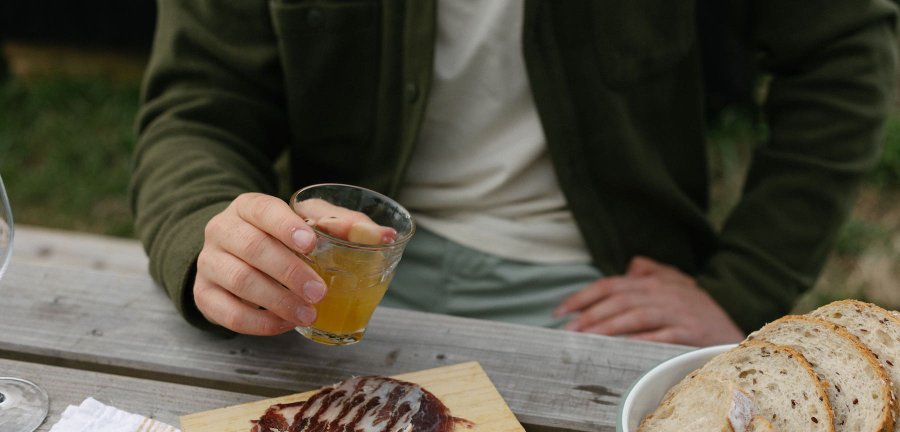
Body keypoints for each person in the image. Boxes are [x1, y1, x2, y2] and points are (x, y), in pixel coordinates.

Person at [129, 0, 898, 346]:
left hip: (600, 301)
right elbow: (201, 104)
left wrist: (746, 285)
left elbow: (842, 53)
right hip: (323, 291)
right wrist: (212, 238)